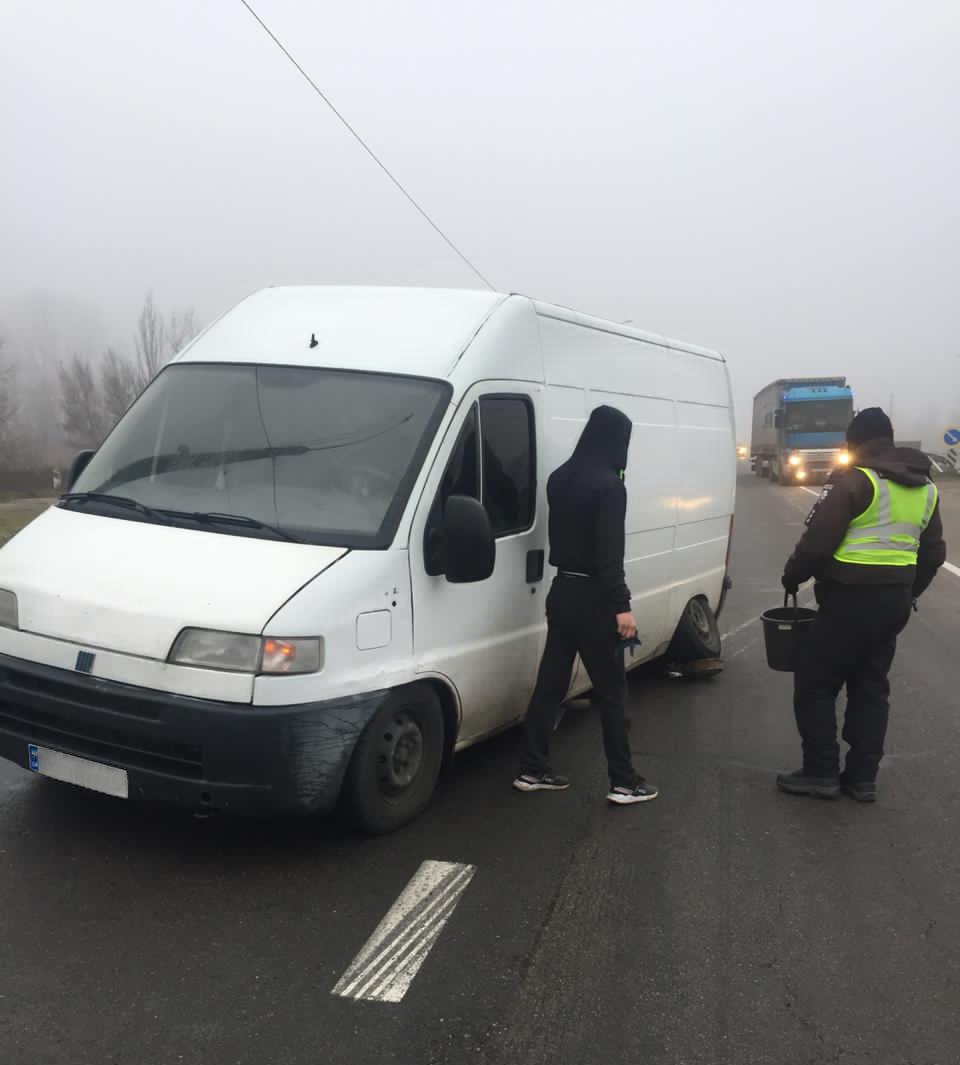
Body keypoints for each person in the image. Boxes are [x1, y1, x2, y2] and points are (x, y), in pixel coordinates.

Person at [778, 408, 946, 802]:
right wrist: (909, 591)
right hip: (895, 605)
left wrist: (792, 576)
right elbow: (934, 552)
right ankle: (862, 777)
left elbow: (818, 543)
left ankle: (821, 771)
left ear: (855, 443)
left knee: (815, 683)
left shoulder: (855, 481)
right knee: (871, 686)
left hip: (848, 602)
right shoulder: (927, 488)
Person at [513, 405, 658, 805]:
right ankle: (624, 781)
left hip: (561, 592)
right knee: (612, 692)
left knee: (550, 686)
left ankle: (532, 768)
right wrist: (622, 606)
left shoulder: (560, 478)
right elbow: (609, 554)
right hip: (596, 598)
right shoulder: (610, 487)